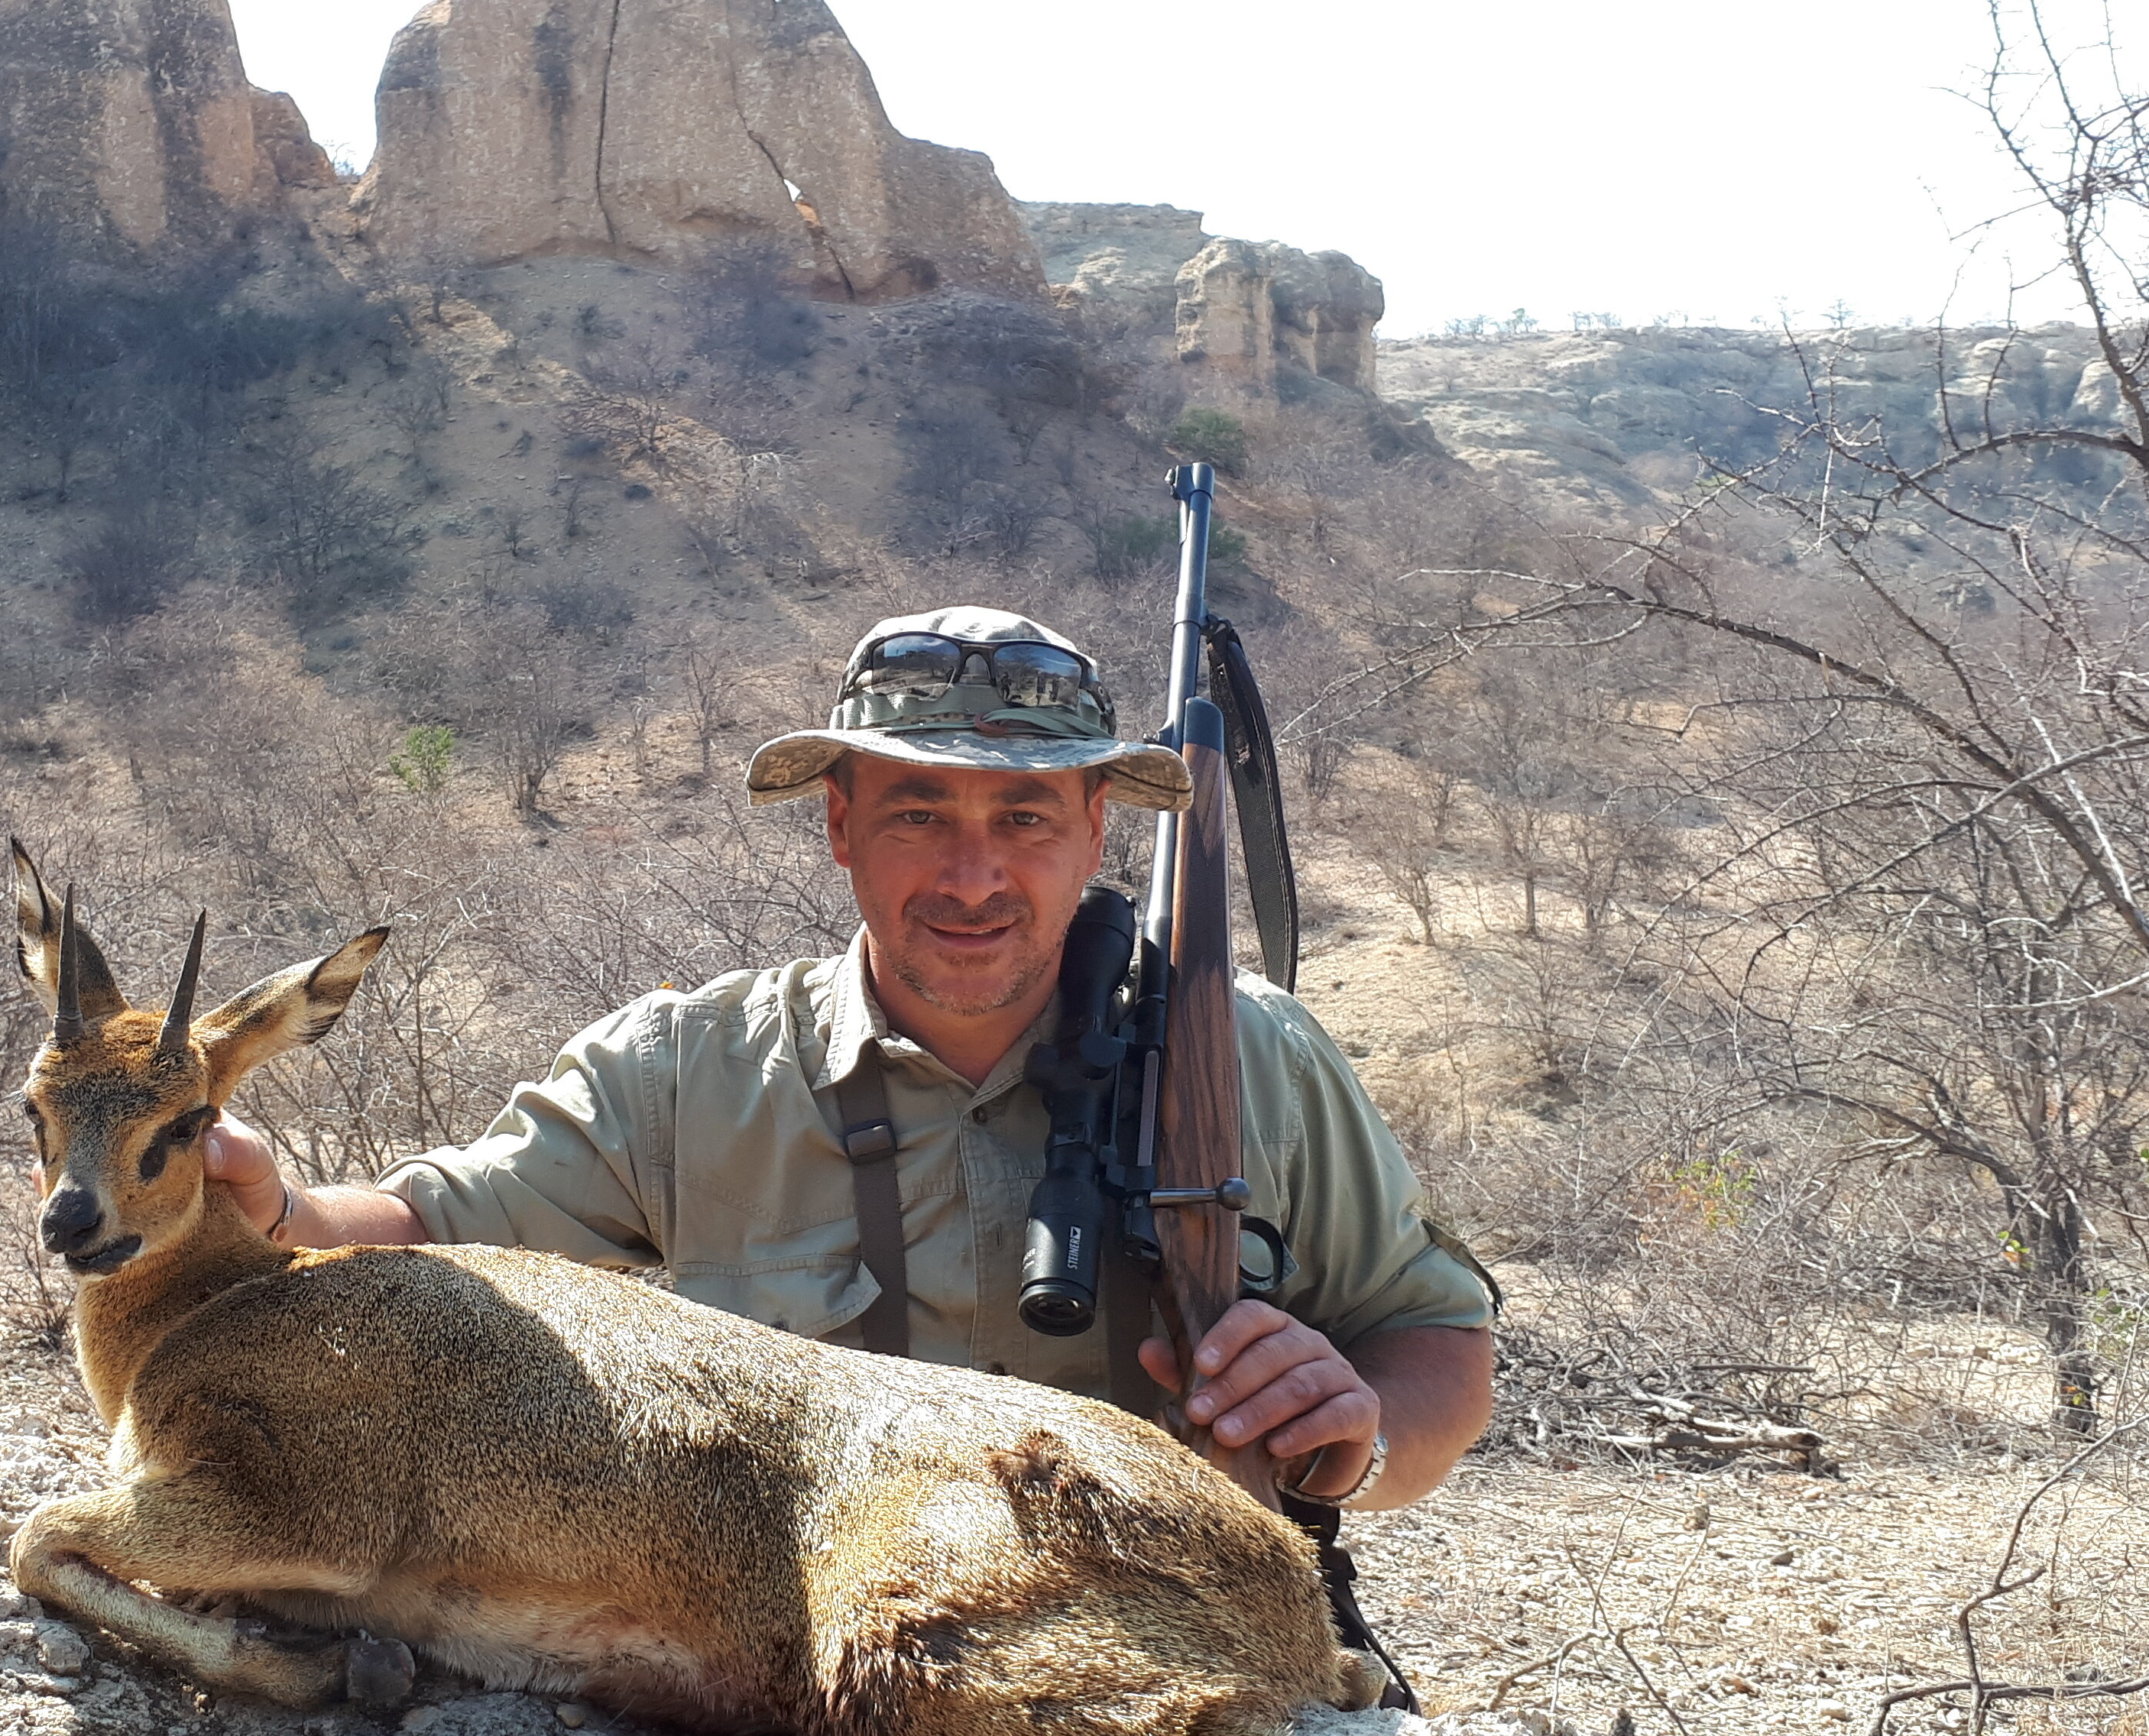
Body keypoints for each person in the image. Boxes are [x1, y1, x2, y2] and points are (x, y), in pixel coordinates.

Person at [206, 604, 1495, 1561]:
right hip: (810, 1667)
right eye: (919, 813)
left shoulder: (1252, 1055)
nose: (974, 877)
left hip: (1184, 1632)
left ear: (1098, 830)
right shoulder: (685, 1069)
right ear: (839, 828)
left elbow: (1434, 1338)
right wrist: (269, 1214)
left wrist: (1357, 1433)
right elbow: (426, 1228)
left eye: (1027, 818)